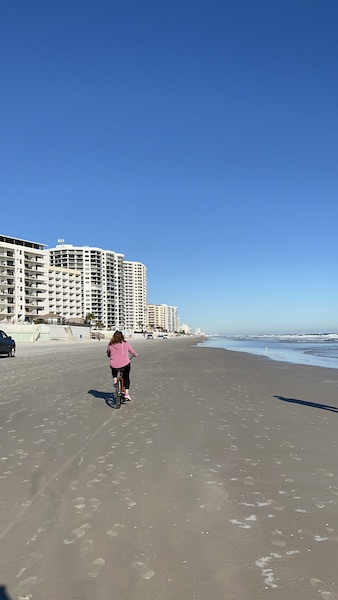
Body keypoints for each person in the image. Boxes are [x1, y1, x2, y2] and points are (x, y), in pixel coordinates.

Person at [107, 331, 138, 401]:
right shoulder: (125, 343)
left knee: (113, 367)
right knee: (126, 377)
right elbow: (131, 350)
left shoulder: (110, 344)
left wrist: (109, 355)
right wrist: (135, 354)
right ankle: (126, 394)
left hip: (114, 364)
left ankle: (115, 381)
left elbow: (108, 353)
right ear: (122, 336)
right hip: (125, 364)